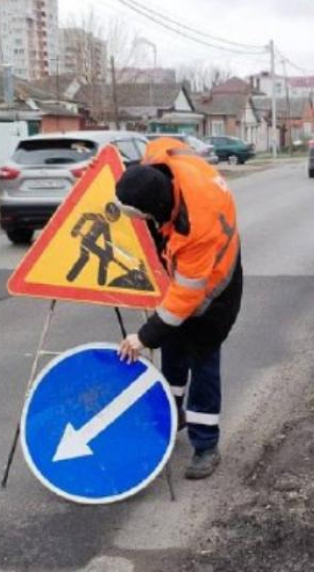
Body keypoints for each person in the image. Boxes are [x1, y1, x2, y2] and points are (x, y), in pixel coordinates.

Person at [115, 137, 242, 480]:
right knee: (172, 346)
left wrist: (142, 338)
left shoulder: (194, 228)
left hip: (215, 288)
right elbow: (166, 142)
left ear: (155, 209)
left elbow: (185, 300)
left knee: (201, 357)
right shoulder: (160, 163)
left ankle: (206, 445)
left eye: (142, 218)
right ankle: (173, 413)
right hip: (184, 273)